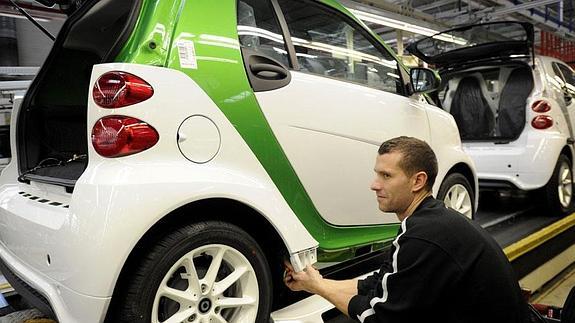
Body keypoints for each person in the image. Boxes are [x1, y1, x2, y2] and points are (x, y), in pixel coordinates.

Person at [284, 136, 529, 323]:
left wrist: (318, 288)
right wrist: (316, 281)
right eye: (376, 174)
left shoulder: (422, 235)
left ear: (418, 181)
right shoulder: (432, 220)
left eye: (386, 176)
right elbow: (379, 284)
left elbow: (378, 318)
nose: (374, 185)